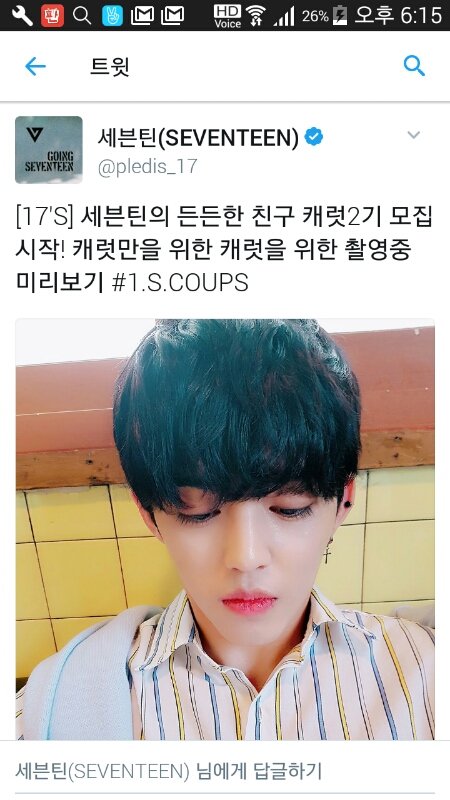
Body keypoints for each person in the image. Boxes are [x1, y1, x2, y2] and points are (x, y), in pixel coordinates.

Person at [17, 319, 434, 740]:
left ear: (343, 501)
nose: (246, 557)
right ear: (148, 513)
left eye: (289, 508)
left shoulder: (425, 670)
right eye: (198, 511)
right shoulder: (57, 711)